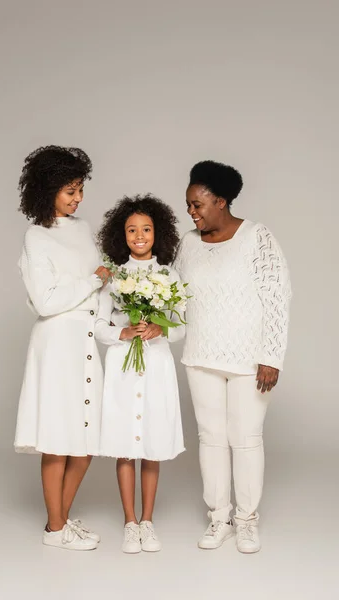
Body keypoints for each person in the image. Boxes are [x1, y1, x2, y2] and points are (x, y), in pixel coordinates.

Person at [174, 160, 291, 554]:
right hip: (200, 355)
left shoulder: (258, 238)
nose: (191, 212)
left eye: (198, 204)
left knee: (245, 439)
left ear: (221, 201)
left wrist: (271, 356)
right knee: (210, 439)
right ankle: (219, 516)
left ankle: (246, 521)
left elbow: (277, 299)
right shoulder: (187, 243)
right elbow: (174, 296)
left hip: (249, 360)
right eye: (188, 205)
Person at [14, 146, 111, 551]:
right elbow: (46, 301)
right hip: (56, 345)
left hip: (87, 339)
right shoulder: (36, 236)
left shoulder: (84, 228)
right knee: (57, 438)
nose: (78, 198)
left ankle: (61, 520)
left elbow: (103, 282)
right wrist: (93, 281)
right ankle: (55, 529)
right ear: (47, 189)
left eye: (80, 189)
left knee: (85, 440)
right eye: (70, 191)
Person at [96, 195, 185, 554]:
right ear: (122, 235)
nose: (139, 235)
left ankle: (148, 521)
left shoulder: (169, 274)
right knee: (124, 445)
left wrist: (160, 330)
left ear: (157, 232)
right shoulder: (115, 276)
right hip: (123, 367)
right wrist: (124, 332)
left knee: (151, 445)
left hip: (157, 365)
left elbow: (180, 324)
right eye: (131, 230)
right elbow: (99, 326)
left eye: (146, 229)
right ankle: (129, 522)